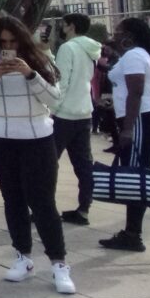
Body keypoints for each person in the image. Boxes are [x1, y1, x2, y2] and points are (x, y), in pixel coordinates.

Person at [0, 16, 74, 294]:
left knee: (42, 202)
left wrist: (30, 74)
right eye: (3, 42)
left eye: (13, 41)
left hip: (36, 137)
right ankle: (23, 257)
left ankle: (59, 263)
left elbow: (55, 98)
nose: (8, 48)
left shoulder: (39, 60)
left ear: (22, 39)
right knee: (12, 199)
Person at [99, 17, 150, 253]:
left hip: (139, 122)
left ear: (130, 36)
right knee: (135, 180)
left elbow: (136, 92)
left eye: (119, 32)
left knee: (138, 181)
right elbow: (126, 88)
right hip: (137, 120)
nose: (115, 35)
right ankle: (131, 232)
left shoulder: (135, 56)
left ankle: (133, 234)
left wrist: (128, 128)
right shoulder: (131, 56)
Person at [51, 13, 101, 226]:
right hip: (84, 112)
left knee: (48, 163)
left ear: (71, 26)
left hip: (65, 114)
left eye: (64, 24)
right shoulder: (92, 50)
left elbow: (62, 82)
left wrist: (52, 108)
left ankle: (44, 208)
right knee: (84, 164)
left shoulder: (68, 48)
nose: (62, 28)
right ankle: (84, 209)